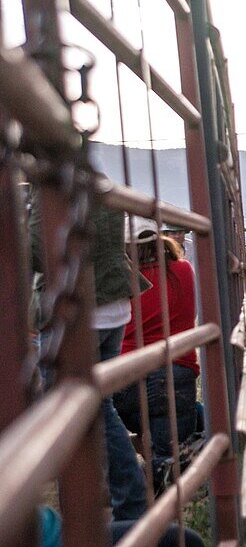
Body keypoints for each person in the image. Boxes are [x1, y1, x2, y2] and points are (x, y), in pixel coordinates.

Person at [30, 201, 149, 521]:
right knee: (97, 404)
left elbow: (39, 252)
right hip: (111, 303)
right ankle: (115, 488)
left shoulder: (51, 180)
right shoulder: (94, 180)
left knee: (68, 405)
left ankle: (128, 493)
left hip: (81, 309)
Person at [114, 219, 199, 494]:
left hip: (128, 372)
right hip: (175, 371)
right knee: (170, 454)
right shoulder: (183, 270)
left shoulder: (120, 280)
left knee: (139, 434)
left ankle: (136, 482)